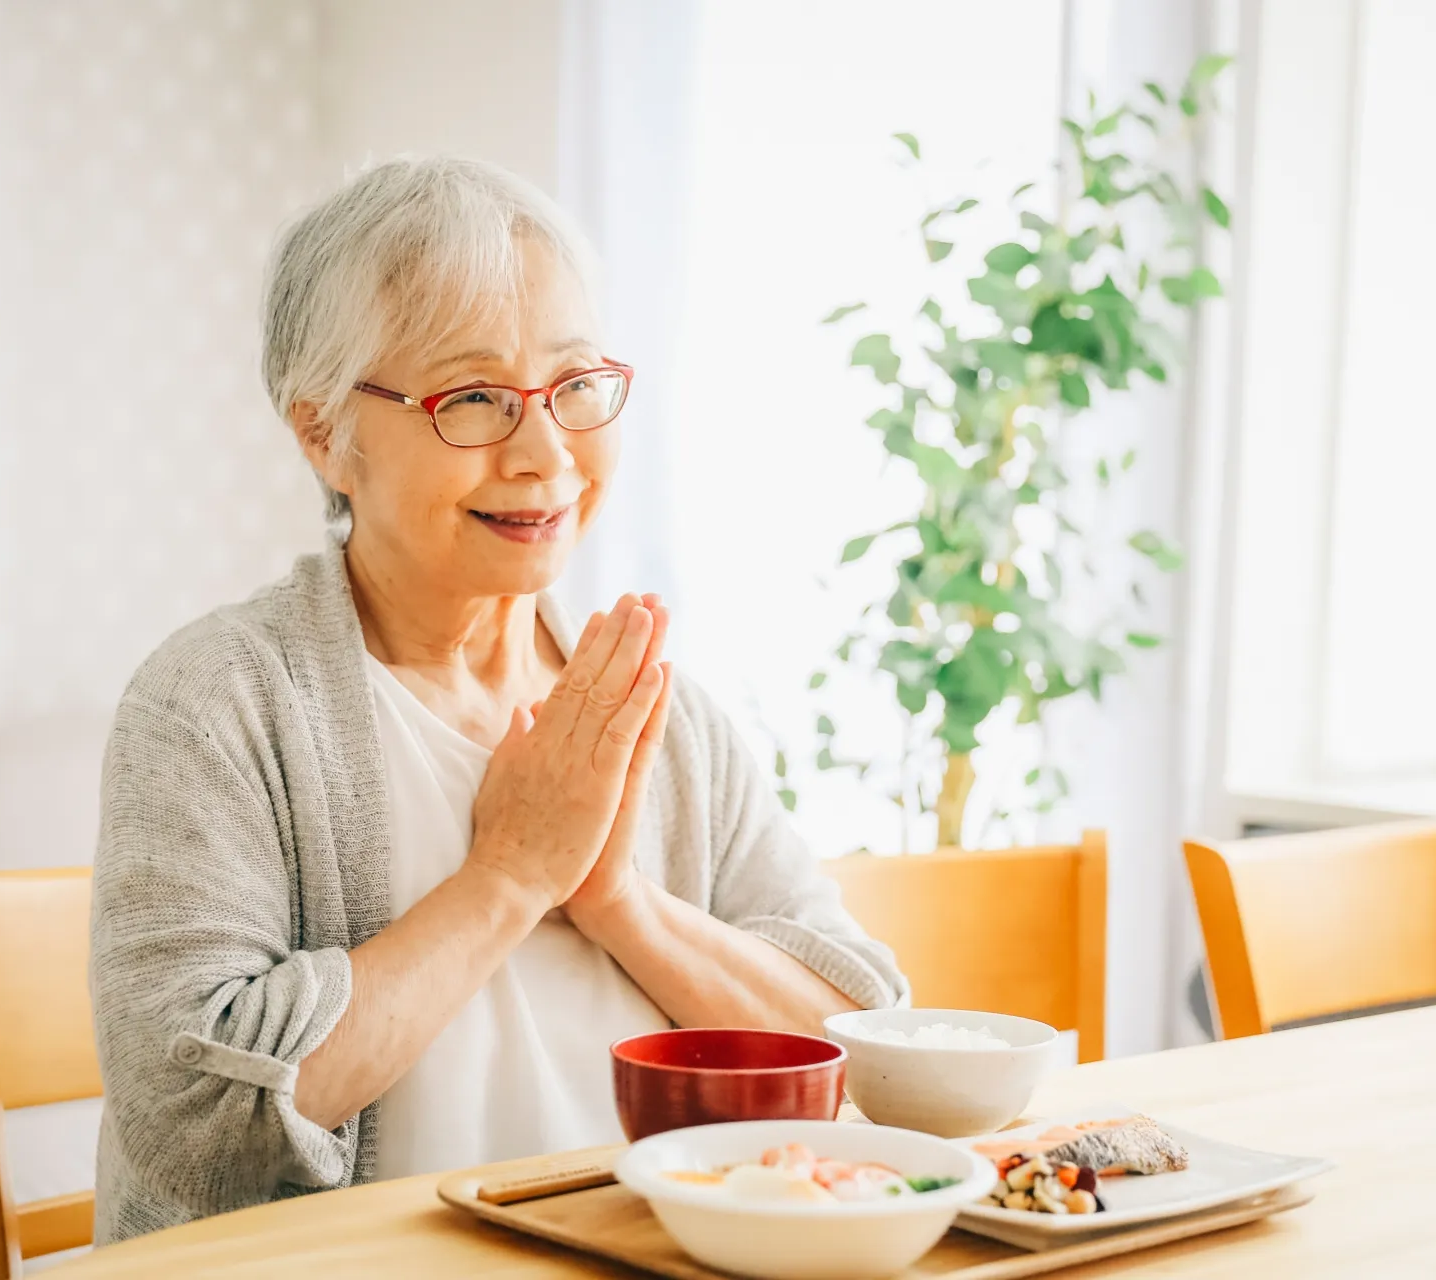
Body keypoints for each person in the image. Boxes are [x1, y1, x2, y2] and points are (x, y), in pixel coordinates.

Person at [88, 155, 905, 1243]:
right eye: (473, 397)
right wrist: (509, 875)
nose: (544, 451)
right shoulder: (217, 701)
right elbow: (196, 1117)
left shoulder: (659, 716)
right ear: (326, 433)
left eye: (574, 386)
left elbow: (862, 1044)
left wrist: (624, 903)